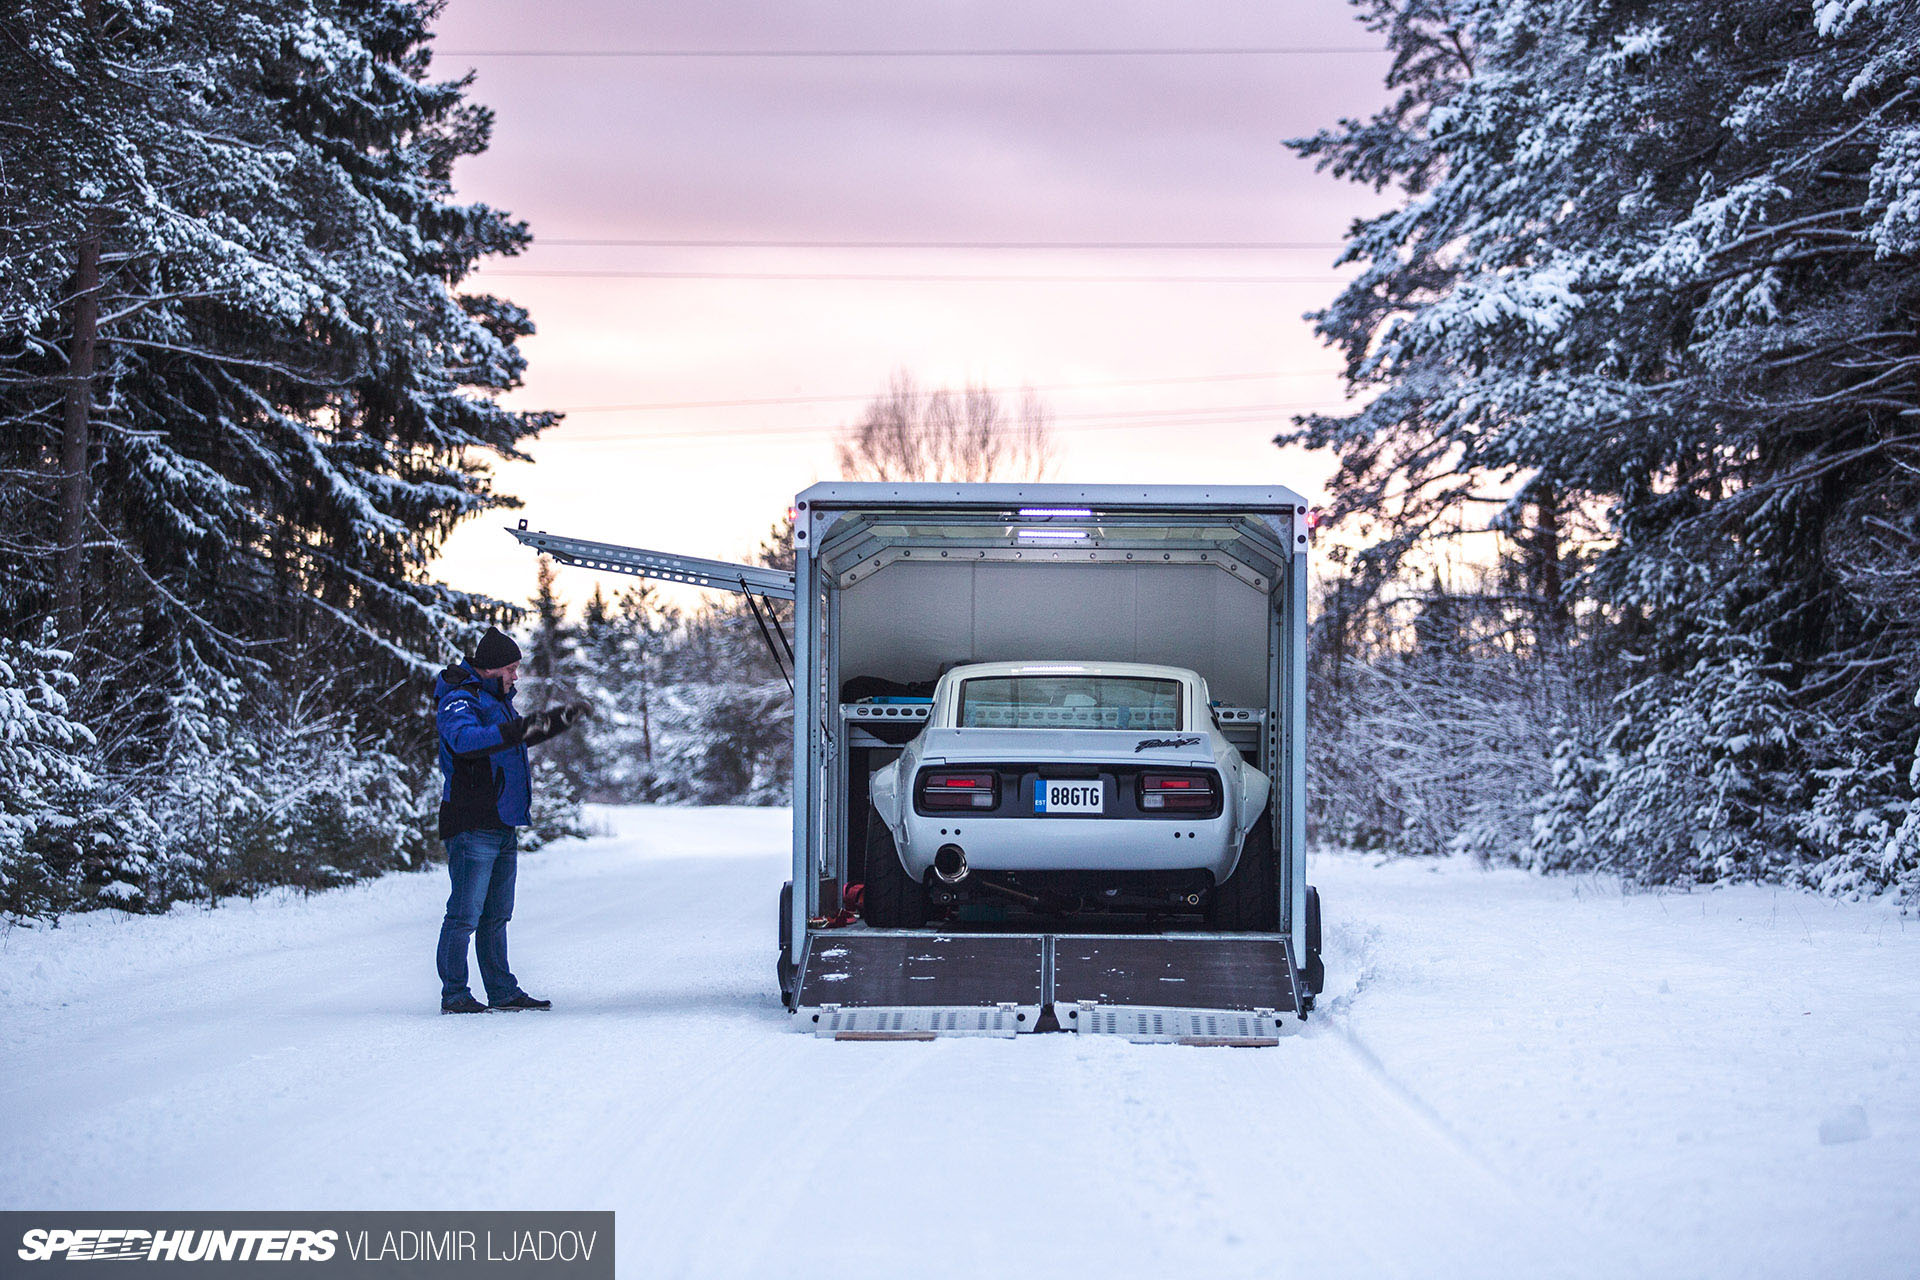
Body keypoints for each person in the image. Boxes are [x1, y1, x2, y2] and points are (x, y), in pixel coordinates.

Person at [433, 625, 589, 1014]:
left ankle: (502, 991)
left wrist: (557, 721)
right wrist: (520, 728)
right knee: (464, 915)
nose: (515, 676)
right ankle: (455, 994)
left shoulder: (497, 700)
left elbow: (512, 737)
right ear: (490, 668)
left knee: (497, 915)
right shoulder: (459, 700)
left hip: (501, 823)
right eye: (511, 668)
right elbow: (466, 741)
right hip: (471, 824)